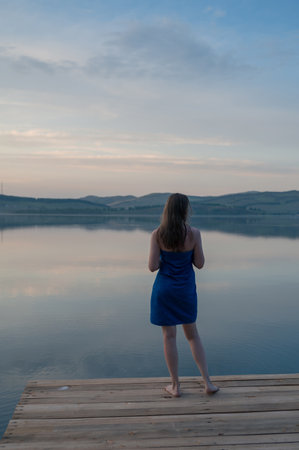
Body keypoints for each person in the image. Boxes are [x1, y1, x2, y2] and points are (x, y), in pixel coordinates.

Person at [148, 193, 219, 397]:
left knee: (169, 337)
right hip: (185, 291)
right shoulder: (194, 233)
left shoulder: (157, 234)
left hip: (164, 290)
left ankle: (175, 386)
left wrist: (165, 261)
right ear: (185, 210)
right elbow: (200, 264)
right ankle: (208, 383)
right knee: (193, 336)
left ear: (167, 210)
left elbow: (152, 266)